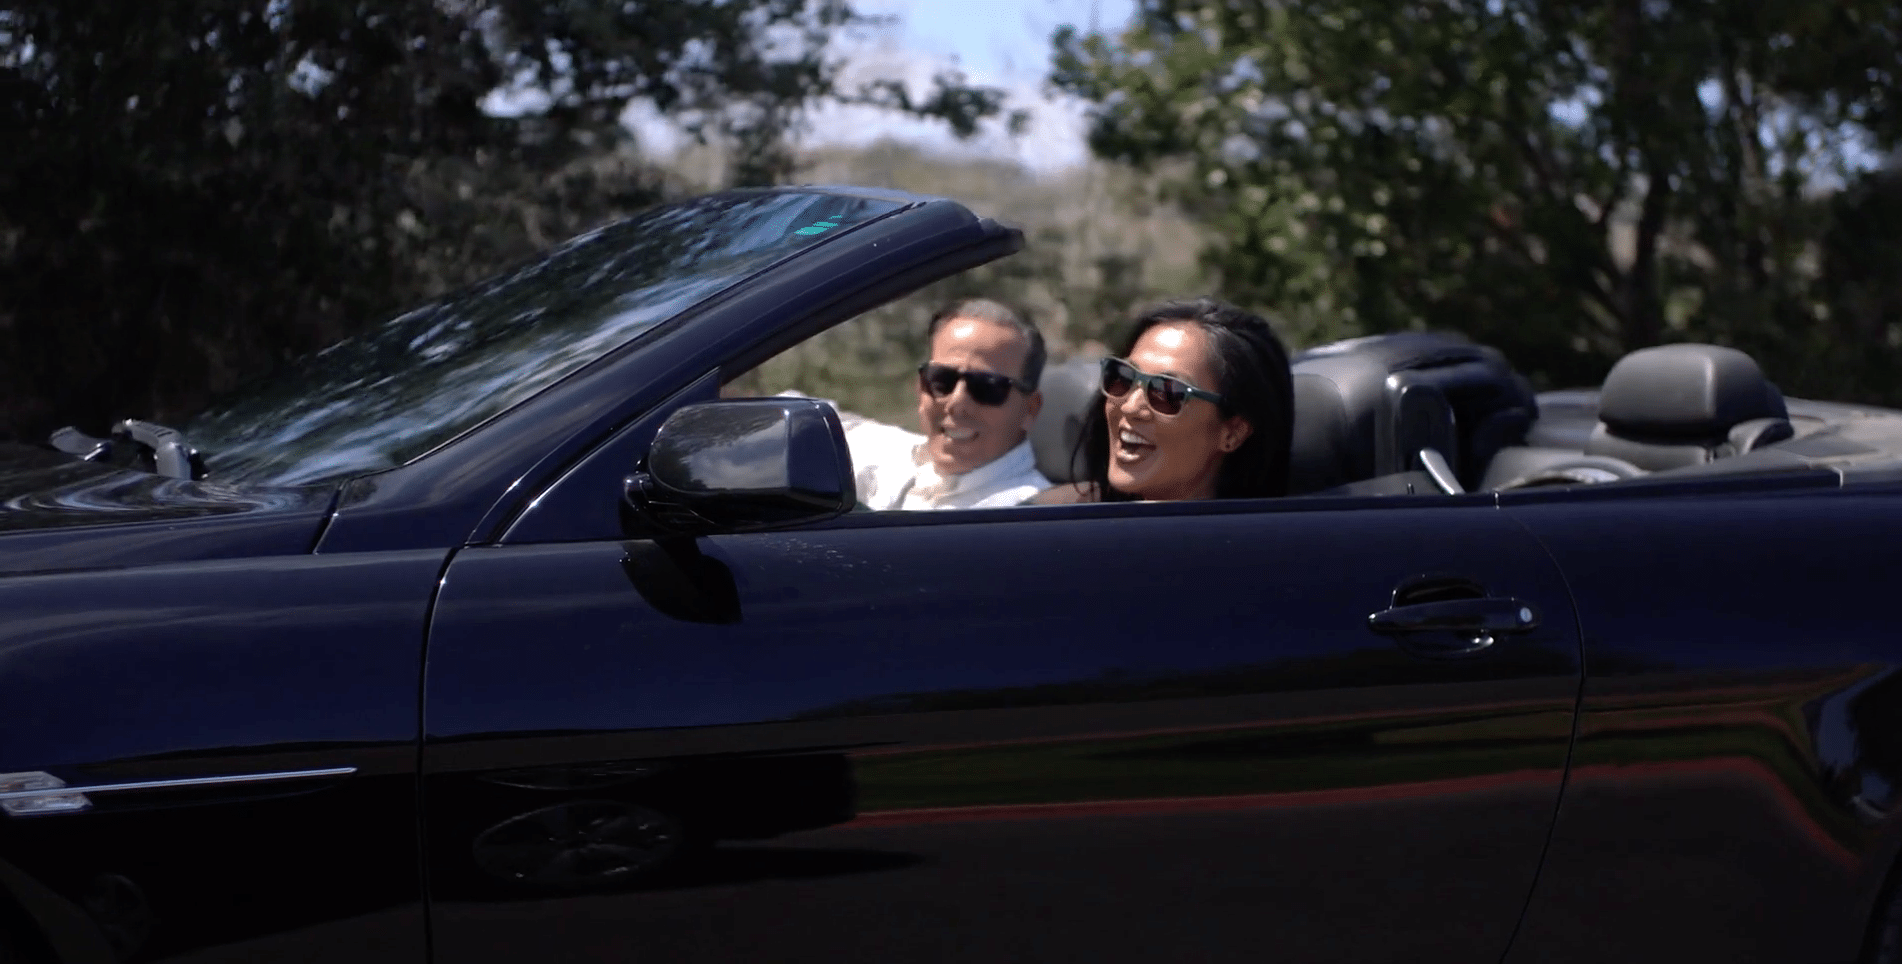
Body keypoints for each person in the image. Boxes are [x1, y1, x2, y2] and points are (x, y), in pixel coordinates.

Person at [1042, 298, 1293, 503]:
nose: (1130, 407)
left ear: (1233, 432)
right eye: (1123, 377)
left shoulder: (1259, 557)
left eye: (1168, 392)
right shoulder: (1058, 523)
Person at [849, 298, 1052, 510]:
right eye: (941, 380)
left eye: (987, 387)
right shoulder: (888, 461)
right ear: (920, 388)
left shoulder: (1028, 516)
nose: (957, 402)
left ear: (1030, 409)